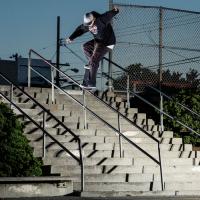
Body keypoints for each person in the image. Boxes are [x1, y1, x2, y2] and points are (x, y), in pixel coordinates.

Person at [66, 7, 119, 90]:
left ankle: (91, 83)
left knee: (94, 61)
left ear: (94, 19)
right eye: (88, 25)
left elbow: (108, 15)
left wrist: (115, 10)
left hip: (107, 43)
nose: (90, 26)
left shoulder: (101, 20)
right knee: (86, 47)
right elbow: (80, 29)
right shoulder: (87, 24)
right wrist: (71, 37)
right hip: (98, 42)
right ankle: (93, 64)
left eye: (91, 24)